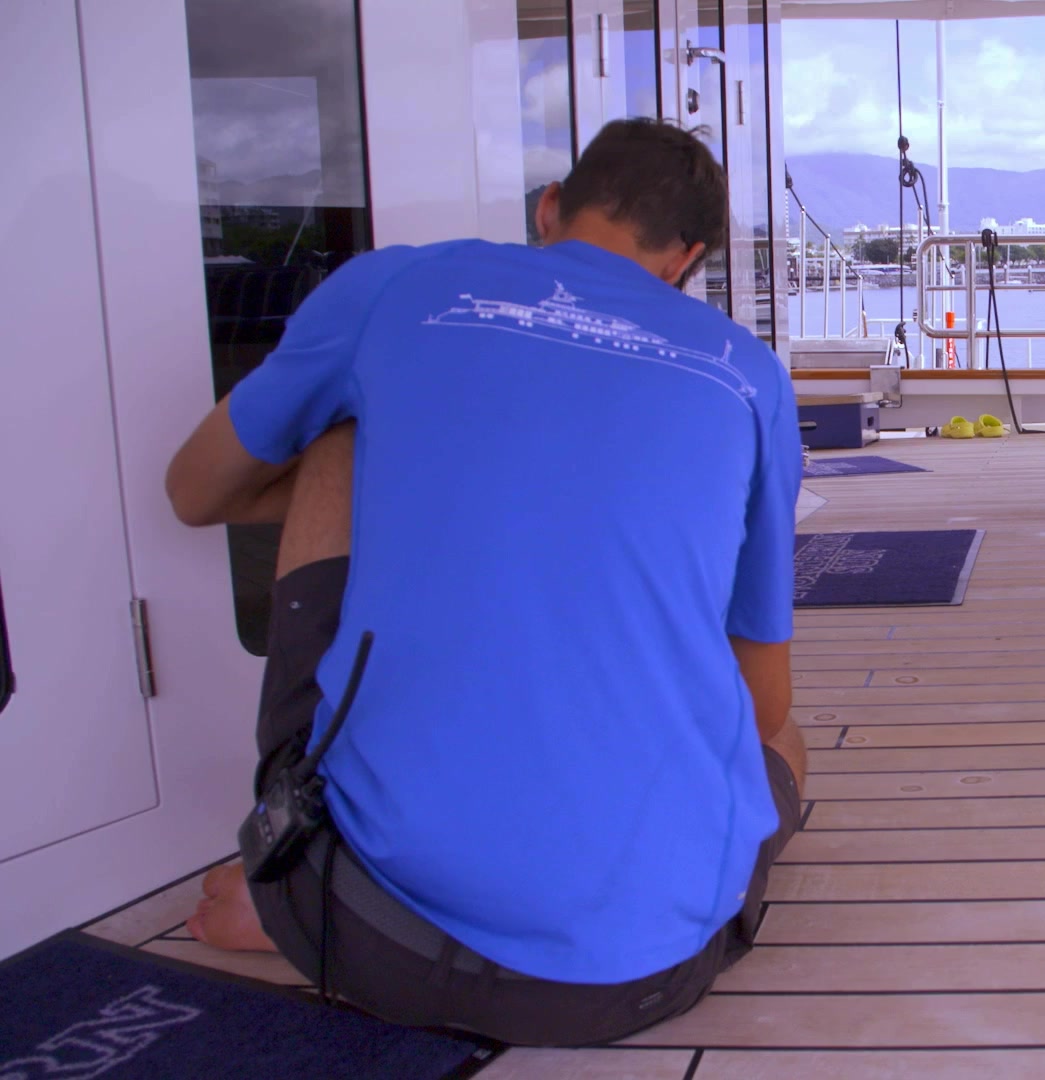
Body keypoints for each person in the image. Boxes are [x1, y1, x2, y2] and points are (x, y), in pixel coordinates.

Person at [163, 118, 805, 1046]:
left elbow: (194, 490)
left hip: (367, 932)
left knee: (340, 437)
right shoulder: (750, 375)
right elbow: (762, 701)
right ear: (687, 261)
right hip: (648, 972)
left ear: (548, 209)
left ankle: (288, 882)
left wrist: (403, 470)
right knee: (785, 744)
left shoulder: (393, 286)